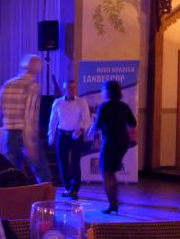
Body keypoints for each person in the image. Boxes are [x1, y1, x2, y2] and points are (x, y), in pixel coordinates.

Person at [0, 54, 51, 183]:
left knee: (11, 172)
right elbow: (29, 114)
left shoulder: (9, 84)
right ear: (37, 69)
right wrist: (29, 142)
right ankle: (45, 196)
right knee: (43, 173)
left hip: (9, 133)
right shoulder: (32, 86)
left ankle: (12, 195)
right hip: (25, 133)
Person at [88, 80, 136, 214]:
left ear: (107, 92)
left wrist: (94, 126)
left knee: (106, 173)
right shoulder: (124, 106)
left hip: (110, 142)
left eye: (103, 89)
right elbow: (133, 123)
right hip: (123, 142)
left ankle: (112, 204)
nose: (101, 92)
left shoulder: (104, 106)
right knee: (111, 172)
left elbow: (97, 126)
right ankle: (114, 201)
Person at [48, 79, 90, 199]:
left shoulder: (81, 102)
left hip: (76, 135)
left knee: (75, 163)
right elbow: (53, 121)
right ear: (64, 89)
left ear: (76, 89)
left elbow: (87, 120)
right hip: (62, 135)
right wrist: (51, 135)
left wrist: (81, 130)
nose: (71, 90)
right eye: (69, 87)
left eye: (73, 87)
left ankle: (75, 189)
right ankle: (67, 188)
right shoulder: (57, 102)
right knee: (63, 162)